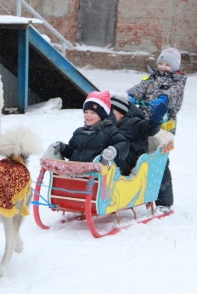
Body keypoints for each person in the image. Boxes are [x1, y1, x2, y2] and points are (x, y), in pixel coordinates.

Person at [126, 47, 187, 213]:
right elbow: (141, 87)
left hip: (164, 129)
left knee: (159, 160)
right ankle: (132, 191)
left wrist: (163, 98)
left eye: (167, 64)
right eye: (161, 62)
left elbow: (174, 93)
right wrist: (131, 95)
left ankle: (164, 201)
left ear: (174, 67)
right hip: (145, 125)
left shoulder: (177, 82)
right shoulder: (151, 78)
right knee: (138, 155)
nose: (162, 66)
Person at [52, 90, 129, 164]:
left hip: (96, 174)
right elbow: (72, 153)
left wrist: (113, 151)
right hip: (75, 174)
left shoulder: (109, 131)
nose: (88, 115)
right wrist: (63, 148)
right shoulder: (79, 132)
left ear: (101, 115)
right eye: (86, 112)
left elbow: (124, 144)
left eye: (93, 112)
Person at [110, 95, 168, 176]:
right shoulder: (106, 124)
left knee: (113, 157)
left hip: (128, 161)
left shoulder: (134, 123)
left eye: (112, 111)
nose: (109, 115)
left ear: (122, 113)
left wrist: (156, 119)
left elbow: (149, 128)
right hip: (111, 156)